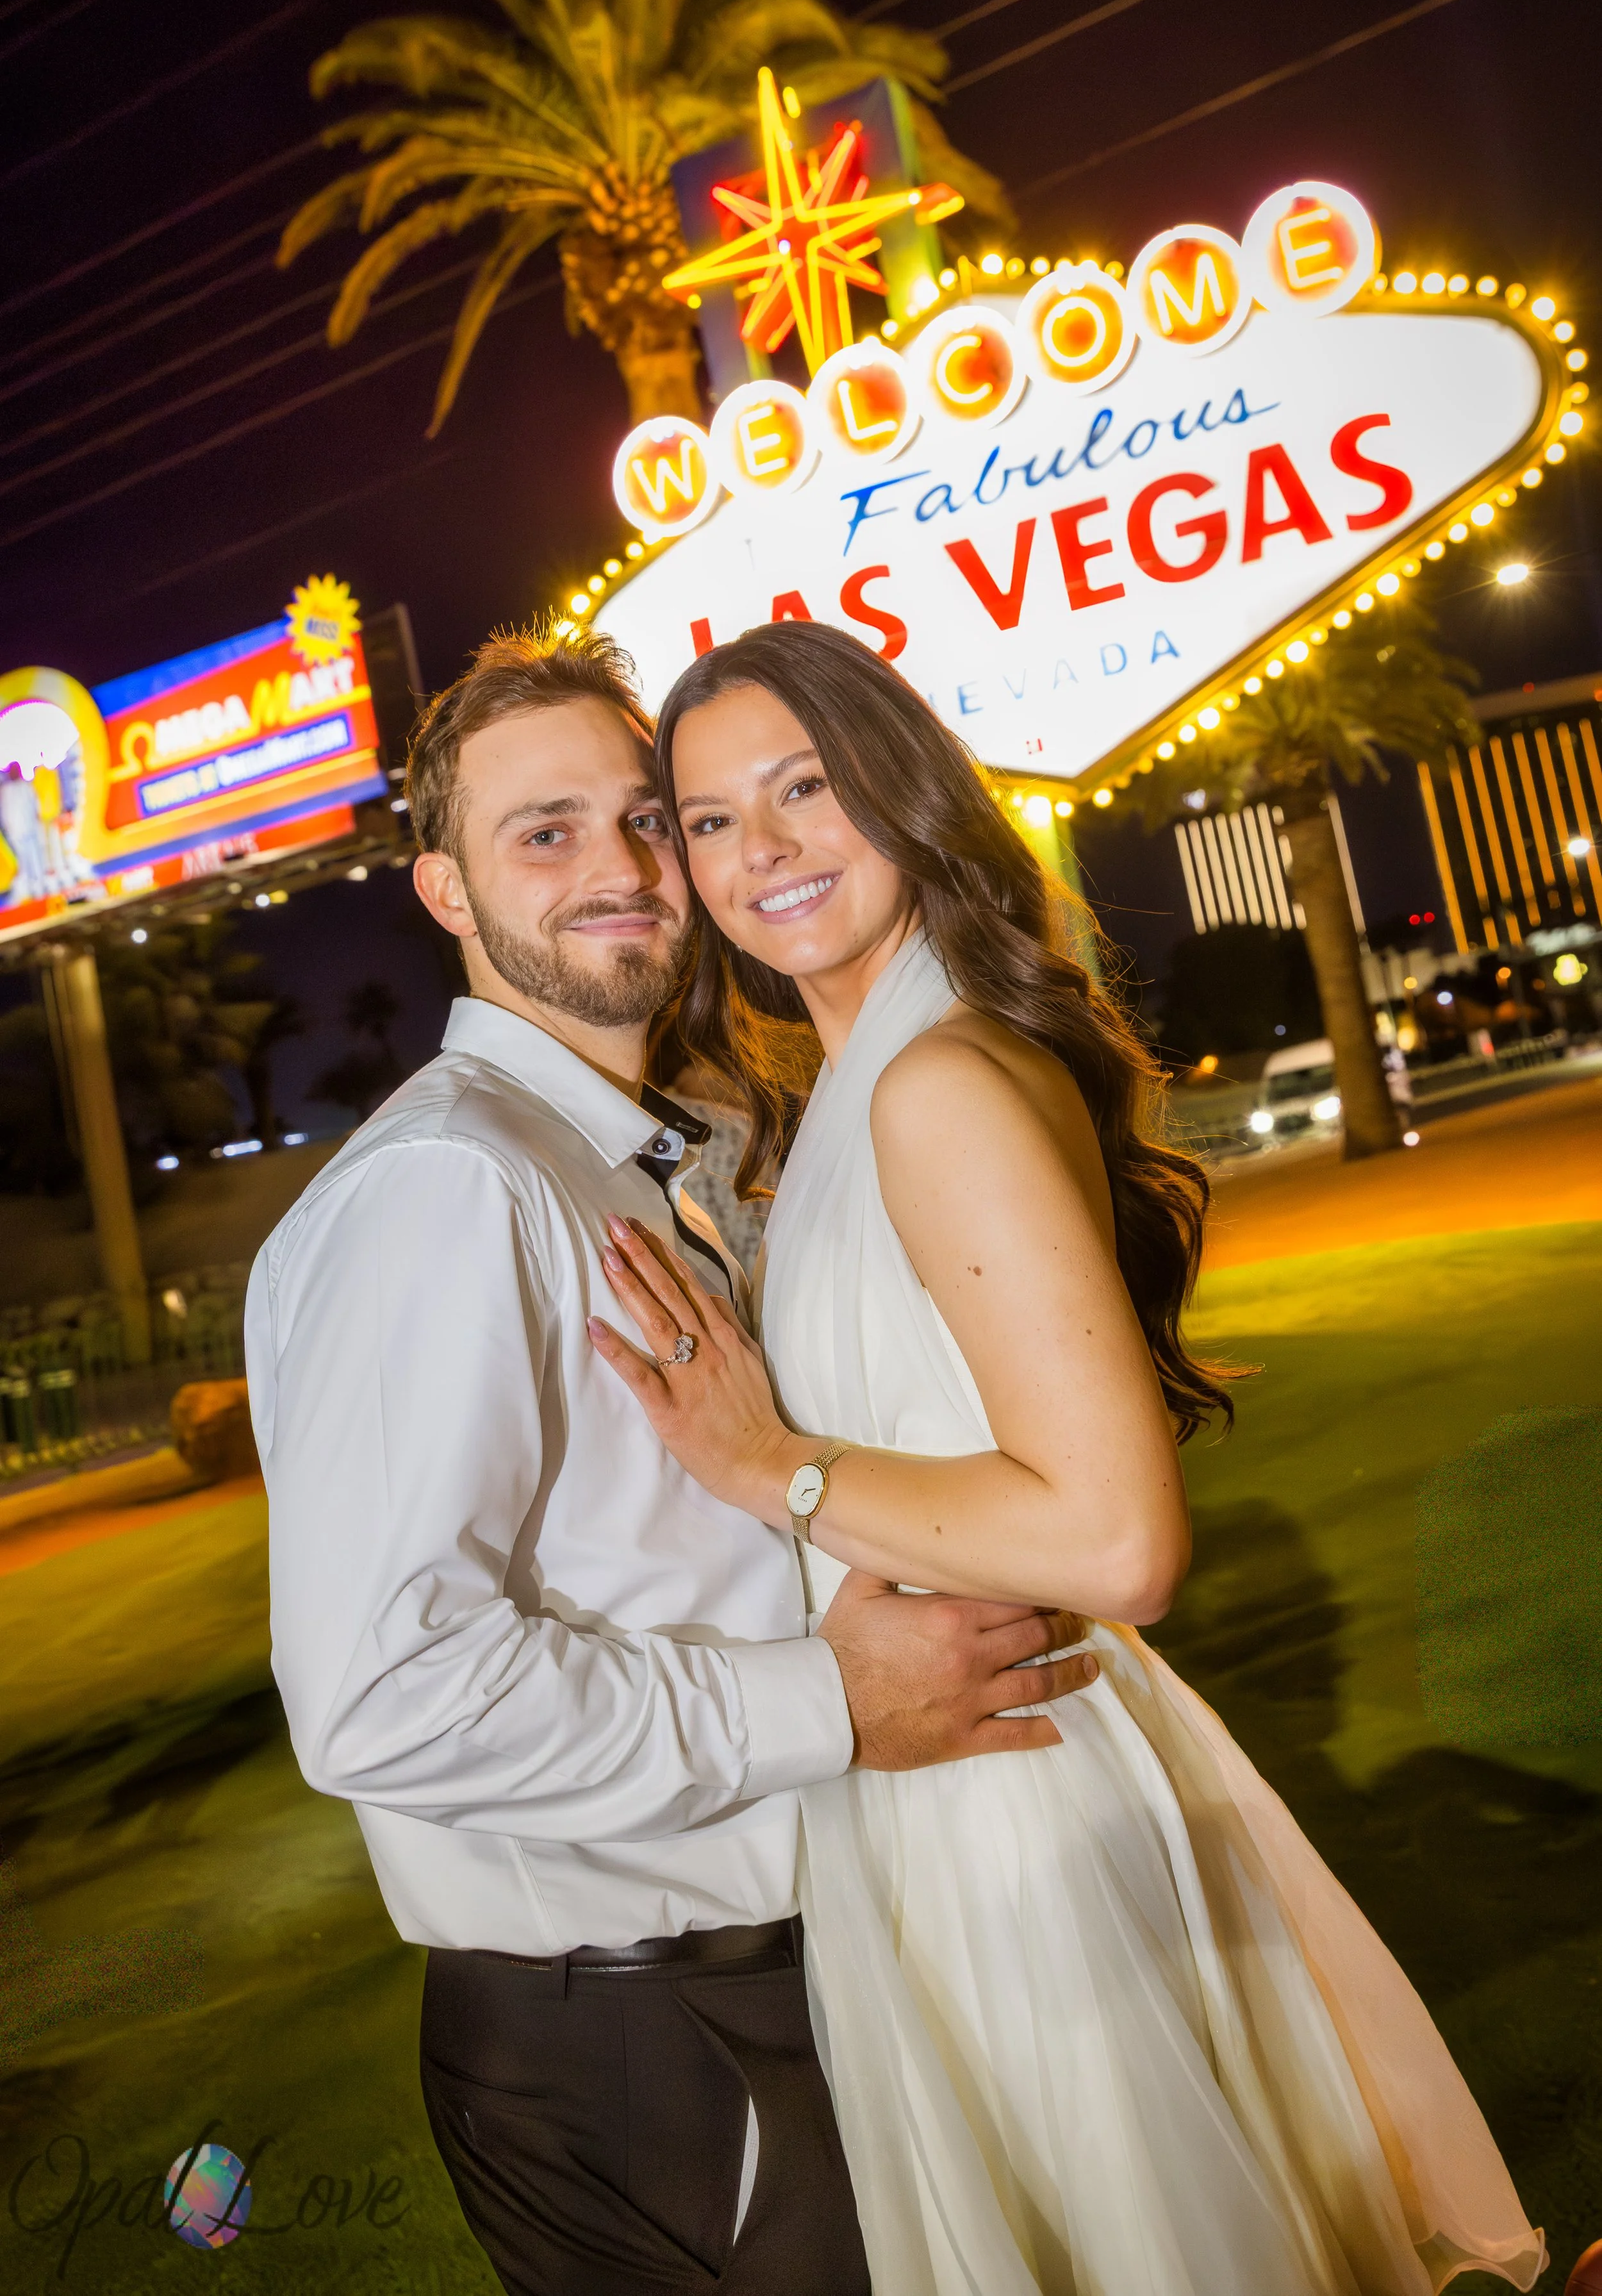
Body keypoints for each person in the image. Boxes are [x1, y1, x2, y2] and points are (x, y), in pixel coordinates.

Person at [590, 619, 1546, 2296]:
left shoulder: (933, 1081)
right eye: (713, 817)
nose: (764, 851)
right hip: (961, 1749)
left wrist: (773, 1465)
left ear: (899, 786)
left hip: (1007, 1788)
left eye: (805, 787)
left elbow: (1116, 1539)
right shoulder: (868, 1074)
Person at [245, 628, 1099, 2296]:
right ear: (443, 894)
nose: (624, 870)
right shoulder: (451, 1187)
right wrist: (826, 1700)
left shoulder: (629, 1158)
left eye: (646, 819)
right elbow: (381, 1693)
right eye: (541, 834)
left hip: (745, 1974)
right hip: (637, 2022)